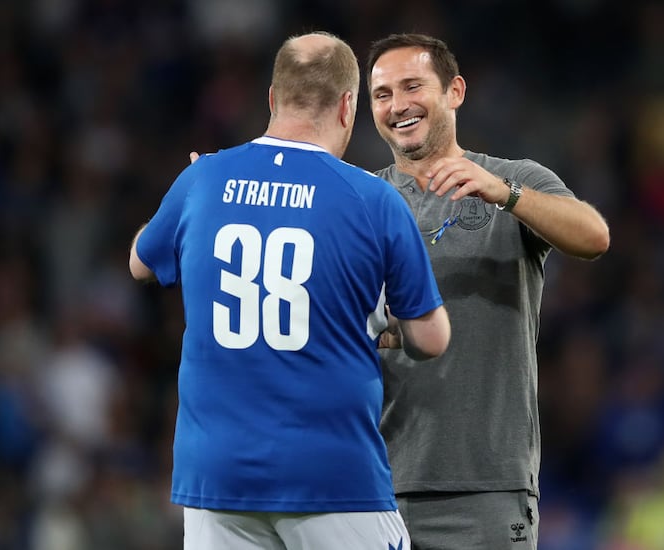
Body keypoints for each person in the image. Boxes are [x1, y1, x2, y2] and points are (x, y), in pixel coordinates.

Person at [128, 31, 450, 550]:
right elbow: (431, 338)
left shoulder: (203, 180)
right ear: (348, 106)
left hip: (217, 477)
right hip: (333, 476)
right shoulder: (374, 199)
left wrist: (189, 197)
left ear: (273, 99)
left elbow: (141, 262)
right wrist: (381, 325)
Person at [366, 33, 611, 550]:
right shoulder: (360, 199)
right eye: (382, 94)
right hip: (374, 484)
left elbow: (593, 236)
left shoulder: (512, 179)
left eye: (412, 86)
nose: (397, 105)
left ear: (454, 91)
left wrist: (507, 195)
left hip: (488, 484)